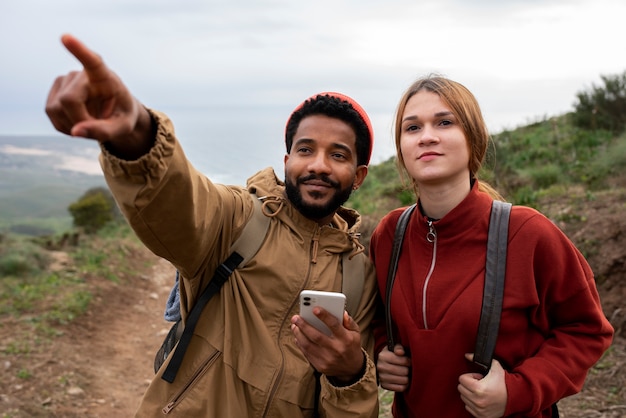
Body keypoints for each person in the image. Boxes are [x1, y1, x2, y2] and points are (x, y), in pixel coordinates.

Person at [45, 34, 380, 417]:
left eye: (338, 155)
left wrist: (349, 374)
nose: (318, 164)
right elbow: (178, 200)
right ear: (287, 161)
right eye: (306, 150)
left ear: (359, 176)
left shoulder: (359, 276)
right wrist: (135, 132)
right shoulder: (238, 217)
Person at [369, 75, 614, 417]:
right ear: (401, 148)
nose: (427, 136)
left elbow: (587, 330)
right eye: (412, 128)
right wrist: (383, 351)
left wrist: (520, 389)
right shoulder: (390, 235)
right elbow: (379, 317)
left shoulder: (527, 233)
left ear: (473, 138)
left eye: (444, 122)